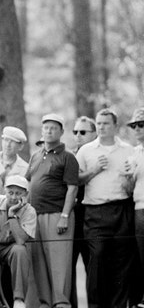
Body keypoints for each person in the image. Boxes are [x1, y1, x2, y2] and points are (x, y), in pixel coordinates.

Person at [76, 108, 134, 308]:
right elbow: (76, 180)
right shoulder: (86, 150)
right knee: (97, 260)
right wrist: (94, 170)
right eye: (98, 123)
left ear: (115, 126)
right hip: (95, 211)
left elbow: (132, 186)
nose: (100, 127)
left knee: (121, 263)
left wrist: (129, 178)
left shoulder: (128, 150)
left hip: (122, 209)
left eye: (105, 123)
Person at [26, 113, 79, 308]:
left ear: (61, 132)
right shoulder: (36, 155)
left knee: (59, 262)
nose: (49, 131)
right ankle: (45, 302)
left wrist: (64, 216)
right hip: (35, 215)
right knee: (37, 261)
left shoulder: (67, 157)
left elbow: (73, 188)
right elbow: (29, 183)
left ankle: (61, 302)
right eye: (46, 128)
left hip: (57, 214)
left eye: (53, 128)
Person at [0, 175, 36, 308]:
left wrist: (12, 215)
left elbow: (21, 240)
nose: (13, 197)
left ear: (26, 194)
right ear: (4, 191)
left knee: (20, 250)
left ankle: (18, 299)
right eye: (10, 192)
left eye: (18, 193)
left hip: (8, 249)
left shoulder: (29, 211)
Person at [70, 116, 97, 308]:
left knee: (93, 267)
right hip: (71, 219)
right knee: (68, 268)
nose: (78, 136)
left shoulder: (98, 155)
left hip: (93, 218)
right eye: (75, 132)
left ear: (94, 134)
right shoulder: (70, 157)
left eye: (83, 132)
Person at [125, 108, 144, 307]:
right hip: (140, 209)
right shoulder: (133, 153)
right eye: (134, 126)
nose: (137, 129)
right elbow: (129, 189)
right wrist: (128, 177)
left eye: (141, 125)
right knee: (140, 253)